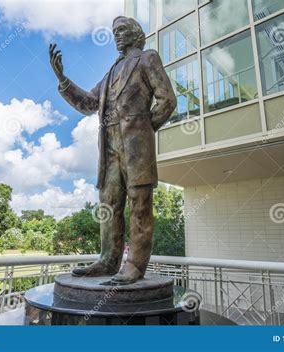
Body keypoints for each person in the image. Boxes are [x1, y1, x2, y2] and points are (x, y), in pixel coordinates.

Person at [49, 16, 176, 284]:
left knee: (139, 204)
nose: (117, 35)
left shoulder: (147, 58)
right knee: (109, 204)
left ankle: (135, 265)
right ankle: (108, 260)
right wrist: (63, 79)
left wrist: (143, 130)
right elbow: (88, 104)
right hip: (109, 147)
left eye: (122, 30)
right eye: (114, 32)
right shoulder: (111, 72)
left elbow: (167, 101)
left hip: (135, 145)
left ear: (135, 33)